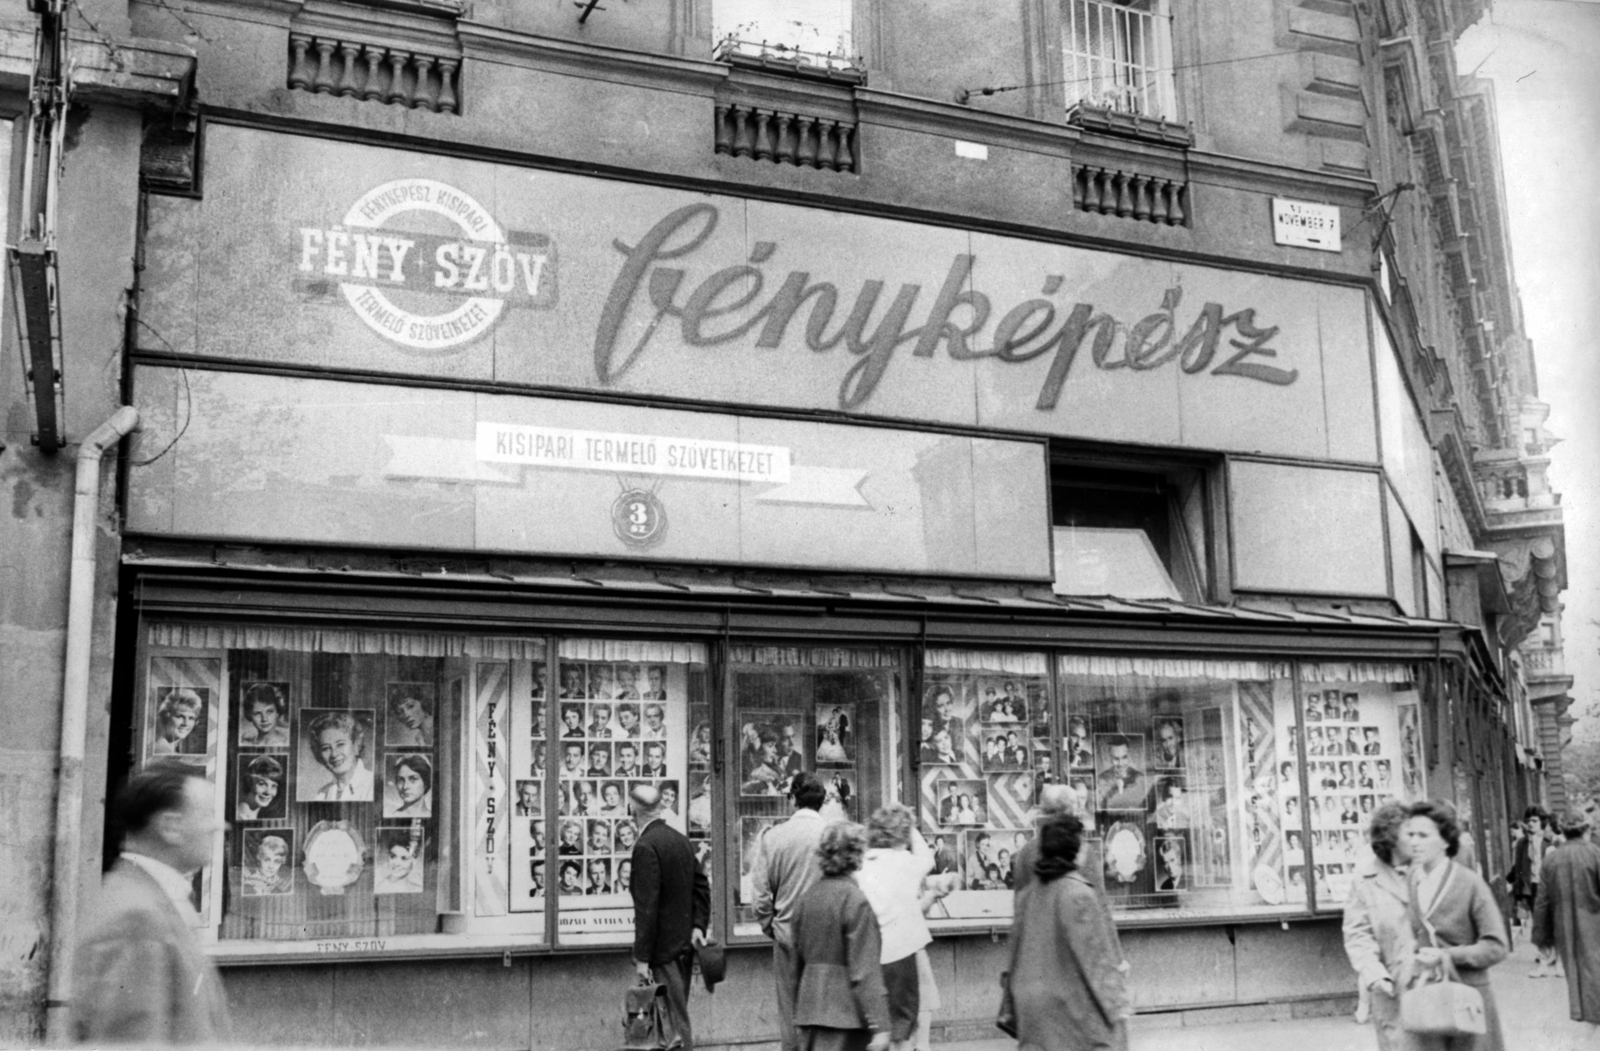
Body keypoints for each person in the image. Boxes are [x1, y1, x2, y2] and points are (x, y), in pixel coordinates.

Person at [70, 765, 232, 1044]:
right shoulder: (136, 918)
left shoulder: (149, 898)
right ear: (171, 827)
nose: (221, 826)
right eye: (208, 815)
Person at [1007, 813, 1131, 1051]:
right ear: (1075, 848)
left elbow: (1014, 952)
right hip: (1067, 1007)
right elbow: (1095, 958)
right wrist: (1117, 1007)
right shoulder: (1078, 893)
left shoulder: (1027, 895)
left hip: (1029, 1005)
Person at [1401, 800, 1508, 1051]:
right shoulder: (1411, 880)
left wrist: (1447, 955)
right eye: (1411, 834)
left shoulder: (1470, 884)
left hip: (1468, 998)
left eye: (1423, 835)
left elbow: (1496, 947)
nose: (1414, 842)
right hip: (1428, 999)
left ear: (1445, 841)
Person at [790, 822, 892, 1051]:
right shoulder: (855, 901)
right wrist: (881, 1025)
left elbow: (794, 966)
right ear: (857, 856)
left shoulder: (806, 899)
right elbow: (865, 970)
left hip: (809, 1011)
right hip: (846, 1014)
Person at [629, 783, 710, 1050]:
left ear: (634, 809)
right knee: (672, 1018)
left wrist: (642, 958)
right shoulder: (680, 840)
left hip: (662, 952)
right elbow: (701, 885)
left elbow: (647, 907)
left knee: (673, 1024)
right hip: (684, 947)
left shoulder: (645, 846)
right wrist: (698, 925)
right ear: (659, 808)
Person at [752, 772, 829, 1051]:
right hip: (828, 937)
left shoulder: (773, 837)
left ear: (792, 799)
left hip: (787, 935)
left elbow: (760, 896)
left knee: (791, 1014)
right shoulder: (833, 836)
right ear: (822, 801)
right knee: (826, 1013)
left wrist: (771, 926)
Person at [854, 805, 937, 1051]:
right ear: (903, 833)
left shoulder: (861, 864)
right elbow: (928, 859)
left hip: (869, 953)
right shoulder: (905, 862)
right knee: (903, 1024)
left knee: (878, 1023)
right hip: (901, 954)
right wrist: (911, 828)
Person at [1342, 802, 1413, 1050]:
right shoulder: (1364, 881)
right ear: (1391, 839)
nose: (1416, 840)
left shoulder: (1429, 871)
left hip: (1432, 988)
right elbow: (1357, 933)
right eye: (1409, 833)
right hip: (1391, 991)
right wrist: (1374, 974)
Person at [1531, 814, 1600, 1031]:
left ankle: (1587, 1020)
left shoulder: (1551, 859)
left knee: (1577, 976)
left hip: (1565, 928)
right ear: (1586, 830)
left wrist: (1542, 937)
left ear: (1563, 831)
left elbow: (1542, 902)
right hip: (1595, 926)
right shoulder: (1595, 854)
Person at [309, 711, 373, 801]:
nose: (334, 754)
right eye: (326, 748)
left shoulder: (373, 785)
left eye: (340, 744)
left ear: (356, 745)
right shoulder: (322, 794)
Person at [1095, 736, 1144, 811]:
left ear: (1129, 755)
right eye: (1116, 759)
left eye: (1124, 757)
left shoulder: (1140, 778)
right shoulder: (1101, 779)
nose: (1120, 764)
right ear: (1110, 757)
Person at [151, 688, 205, 755]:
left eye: (191, 718)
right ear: (166, 717)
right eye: (180, 716)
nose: (186, 723)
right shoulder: (161, 750)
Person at [239, 683, 289, 747]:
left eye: (269, 712)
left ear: (277, 712)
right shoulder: (244, 742)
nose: (264, 719)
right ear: (249, 715)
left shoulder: (287, 741)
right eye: (257, 713)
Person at [236, 755, 283, 820]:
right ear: (248, 783)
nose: (268, 792)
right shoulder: (240, 817)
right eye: (262, 784)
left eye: (273, 786)